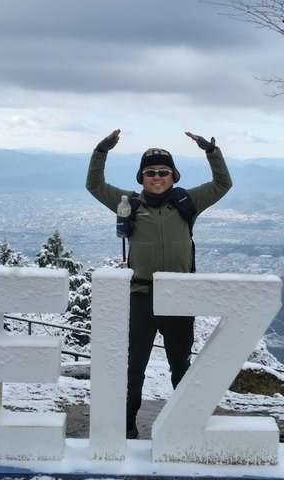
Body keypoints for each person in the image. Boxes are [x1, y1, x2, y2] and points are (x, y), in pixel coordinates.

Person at [85, 129, 233, 438]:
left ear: (173, 176)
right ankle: (126, 427)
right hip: (142, 295)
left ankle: (186, 423)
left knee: (181, 366)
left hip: (180, 295)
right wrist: (101, 151)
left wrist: (212, 153)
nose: (157, 177)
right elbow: (95, 185)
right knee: (133, 367)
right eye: (150, 172)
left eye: (163, 172)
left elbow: (222, 184)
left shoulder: (187, 202)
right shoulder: (129, 203)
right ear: (141, 177)